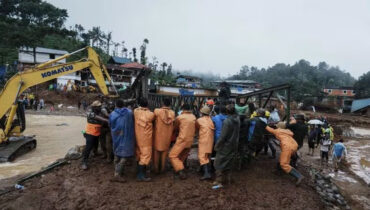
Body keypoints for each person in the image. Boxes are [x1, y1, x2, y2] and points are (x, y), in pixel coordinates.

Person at [212, 105, 240, 189]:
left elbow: (223, 136)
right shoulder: (237, 120)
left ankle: (218, 181)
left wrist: (217, 145)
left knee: (218, 163)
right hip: (234, 144)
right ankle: (228, 179)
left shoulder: (227, 121)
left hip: (225, 146)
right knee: (229, 162)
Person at [109, 99, 135, 182]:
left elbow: (110, 124)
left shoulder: (112, 114)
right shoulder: (129, 113)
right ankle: (118, 174)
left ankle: (117, 173)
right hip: (126, 137)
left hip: (116, 136)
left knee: (116, 154)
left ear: (116, 105)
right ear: (124, 105)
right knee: (124, 155)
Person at [169, 104, 196, 179]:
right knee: (182, 156)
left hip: (182, 139)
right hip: (190, 140)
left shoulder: (180, 117)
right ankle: (178, 169)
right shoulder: (193, 117)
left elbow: (175, 127)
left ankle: (181, 170)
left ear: (182, 109)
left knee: (172, 155)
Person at [81, 101, 108, 170]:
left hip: (97, 133)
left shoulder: (100, 112)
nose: (100, 107)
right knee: (88, 147)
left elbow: (106, 116)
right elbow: (103, 119)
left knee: (95, 144)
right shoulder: (91, 113)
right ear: (94, 107)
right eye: (99, 107)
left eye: (100, 106)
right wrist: (111, 120)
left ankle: (95, 153)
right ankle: (84, 162)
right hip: (90, 133)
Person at [134, 98, 155, 181]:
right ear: (148, 105)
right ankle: (140, 175)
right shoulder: (151, 114)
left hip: (137, 137)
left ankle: (138, 171)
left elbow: (137, 108)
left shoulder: (136, 112)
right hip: (146, 139)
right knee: (145, 156)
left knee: (138, 154)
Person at [153, 98, 175, 173]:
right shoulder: (172, 113)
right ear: (170, 104)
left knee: (156, 151)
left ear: (162, 103)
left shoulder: (157, 111)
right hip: (167, 136)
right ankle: (162, 169)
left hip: (158, 135)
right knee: (164, 152)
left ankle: (156, 168)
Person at [196, 106, 215, 180]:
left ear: (202, 113)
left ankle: (206, 174)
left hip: (203, 140)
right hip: (210, 140)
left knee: (202, 156)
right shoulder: (211, 120)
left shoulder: (199, 120)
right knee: (207, 155)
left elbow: (197, 128)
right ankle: (203, 169)